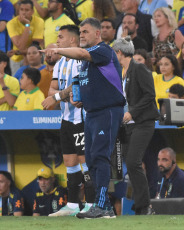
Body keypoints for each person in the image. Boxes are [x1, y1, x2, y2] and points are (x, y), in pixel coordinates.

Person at [43, 17, 125, 219]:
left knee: (99, 156)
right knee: (91, 158)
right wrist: (78, 96)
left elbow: (79, 52)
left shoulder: (103, 50)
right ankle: (100, 205)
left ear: (98, 33)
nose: (82, 36)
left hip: (107, 111)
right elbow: (81, 82)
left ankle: (103, 206)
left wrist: (57, 50)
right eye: (80, 33)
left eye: (85, 32)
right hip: (91, 112)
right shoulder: (86, 63)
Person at [41, 25, 95, 217]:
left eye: (60, 37)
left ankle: (91, 204)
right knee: (69, 161)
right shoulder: (59, 64)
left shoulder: (81, 61)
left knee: (85, 161)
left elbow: (76, 87)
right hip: (66, 118)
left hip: (82, 119)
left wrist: (58, 96)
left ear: (72, 40)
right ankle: (72, 205)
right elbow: (51, 91)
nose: (57, 40)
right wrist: (62, 95)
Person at [113, 37, 159, 215]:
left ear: (119, 52)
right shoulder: (122, 72)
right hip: (128, 125)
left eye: (113, 53)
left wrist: (132, 112)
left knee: (133, 162)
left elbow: (149, 96)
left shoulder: (139, 69)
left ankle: (145, 206)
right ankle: (142, 206)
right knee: (131, 164)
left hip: (143, 122)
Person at [6, 0, 44, 74]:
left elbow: (35, 46)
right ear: (18, 11)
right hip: (17, 60)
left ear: (32, 11)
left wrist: (18, 52)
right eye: (21, 9)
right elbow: (20, 46)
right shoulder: (11, 23)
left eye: (27, 10)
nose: (24, 12)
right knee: (17, 83)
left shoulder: (39, 21)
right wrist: (27, 25)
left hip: (34, 57)